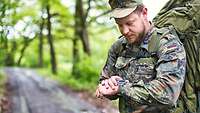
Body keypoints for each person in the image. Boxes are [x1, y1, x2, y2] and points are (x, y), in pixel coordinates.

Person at [95, 0, 186, 113]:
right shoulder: (118, 47)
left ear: (144, 13)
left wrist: (121, 87)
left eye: (129, 23)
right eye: (119, 25)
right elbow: (105, 81)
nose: (125, 31)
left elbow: (168, 93)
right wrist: (108, 86)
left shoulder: (167, 44)